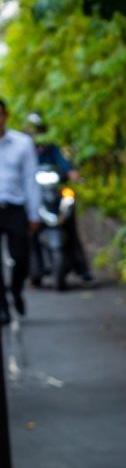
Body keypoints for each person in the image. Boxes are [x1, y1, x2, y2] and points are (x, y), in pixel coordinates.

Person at [26, 112, 94, 284]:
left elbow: (64, 163)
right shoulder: (25, 148)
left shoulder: (51, 147)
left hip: (53, 193)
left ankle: (82, 267)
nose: (37, 132)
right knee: (29, 230)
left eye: (40, 128)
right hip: (36, 195)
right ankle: (32, 268)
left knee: (70, 224)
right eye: (34, 129)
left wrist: (72, 172)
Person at [0, 98, 40, 323]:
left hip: (15, 208)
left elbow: (30, 179)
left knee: (21, 257)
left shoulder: (22, 143)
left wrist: (34, 214)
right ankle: (2, 306)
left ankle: (16, 290)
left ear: (5, 116)